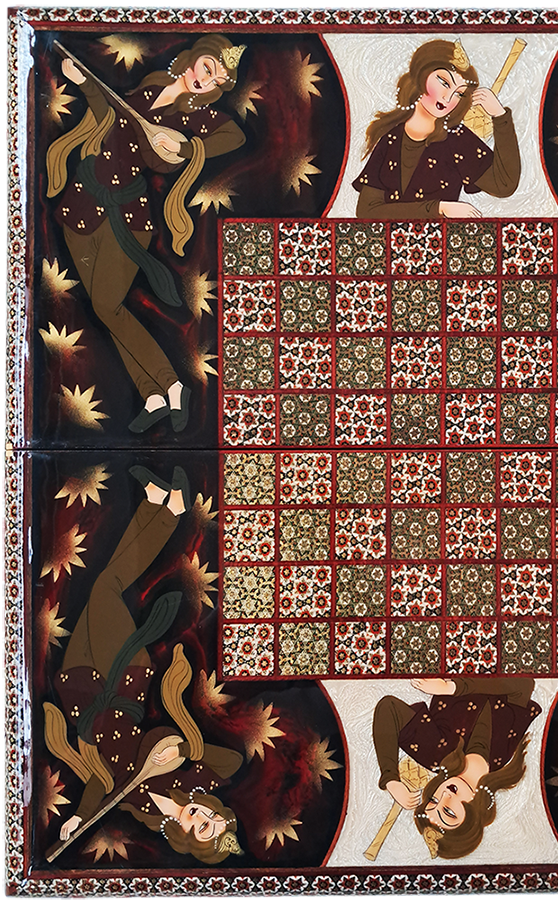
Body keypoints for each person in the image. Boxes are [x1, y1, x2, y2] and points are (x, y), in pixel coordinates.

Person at [44, 465, 245, 863]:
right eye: (213, 816)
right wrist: (181, 748)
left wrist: (79, 817)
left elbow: (104, 779)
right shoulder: (197, 781)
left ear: (190, 840)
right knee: (106, 587)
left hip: (81, 693)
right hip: (123, 683)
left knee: (108, 583)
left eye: (204, 828)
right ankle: (166, 511)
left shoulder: (147, 814)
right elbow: (233, 759)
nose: (204, 816)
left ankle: (160, 506)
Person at [46, 37, 247, 433]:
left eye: (218, 81)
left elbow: (235, 136)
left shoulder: (196, 117)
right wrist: (83, 83)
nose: (207, 81)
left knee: (107, 307)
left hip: (129, 217)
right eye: (208, 68)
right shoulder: (148, 88)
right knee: (108, 310)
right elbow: (109, 115)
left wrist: (187, 147)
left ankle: (172, 387)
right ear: (193, 59)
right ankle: (153, 395)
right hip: (82, 206)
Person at [372, 677, 540, 858]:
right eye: (448, 811)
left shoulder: (437, 754)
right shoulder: (504, 758)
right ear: (474, 815)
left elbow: (389, 708)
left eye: (433, 801)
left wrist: (390, 779)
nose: (444, 795)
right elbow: (522, 684)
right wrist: (454, 688)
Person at [353, 39, 520, 219]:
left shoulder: (456, 139)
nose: (448, 98)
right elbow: (366, 212)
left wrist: (500, 116)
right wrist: (438, 208)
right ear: (422, 74)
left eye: (459, 93)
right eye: (444, 82)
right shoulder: (391, 138)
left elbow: (504, 185)